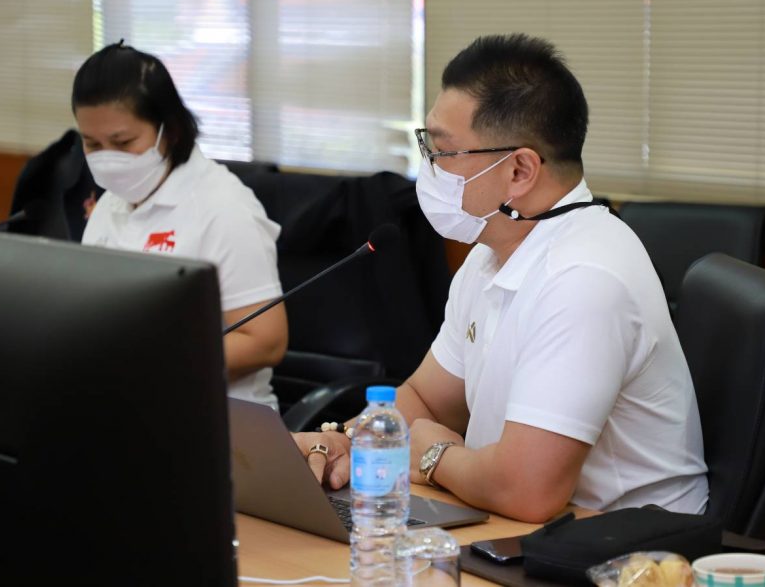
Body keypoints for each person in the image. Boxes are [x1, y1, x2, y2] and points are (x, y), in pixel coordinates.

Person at [295, 34, 708, 522]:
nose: (428, 168)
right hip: (530, 530)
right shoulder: (492, 256)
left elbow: (527, 491)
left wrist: (434, 456)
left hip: (627, 545)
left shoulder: (585, 279)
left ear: (519, 171)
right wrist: (348, 442)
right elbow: (428, 400)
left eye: (442, 152)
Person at [74, 41, 288, 408]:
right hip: (125, 408)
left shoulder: (224, 208)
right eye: (92, 144)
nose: (108, 159)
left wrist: (149, 363)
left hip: (219, 420)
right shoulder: (111, 203)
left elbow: (266, 341)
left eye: (123, 142)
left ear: (169, 130)